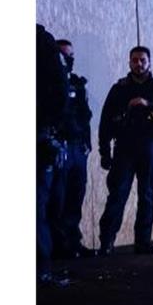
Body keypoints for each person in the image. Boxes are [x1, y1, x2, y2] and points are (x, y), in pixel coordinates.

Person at [97, 46, 153, 255]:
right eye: (134, 60)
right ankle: (106, 243)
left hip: (150, 148)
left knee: (146, 196)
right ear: (129, 62)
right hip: (124, 148)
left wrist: (149, 106)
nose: (138, 64)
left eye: (142, 60)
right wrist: (104, 151)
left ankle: (142, 242)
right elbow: (105, 122)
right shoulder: (119, 89)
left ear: (149, 62)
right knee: (117, 195)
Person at [48, 39, 94, 258]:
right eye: (64, 55)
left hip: (78, 147)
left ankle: (73, 242)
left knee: (76, 196)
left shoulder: (77, 83)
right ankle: (59, 245)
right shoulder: (47, 83)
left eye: (71, 56)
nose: (68, 60)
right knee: (58, 198)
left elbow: (85, 116)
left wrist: (87, 144)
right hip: (61, 146)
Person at [37, 24, 70, 286]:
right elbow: (59, 94)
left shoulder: (41, 42)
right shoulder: (43, 42)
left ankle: (41, 269)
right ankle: (41, 270)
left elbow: (59, 95)